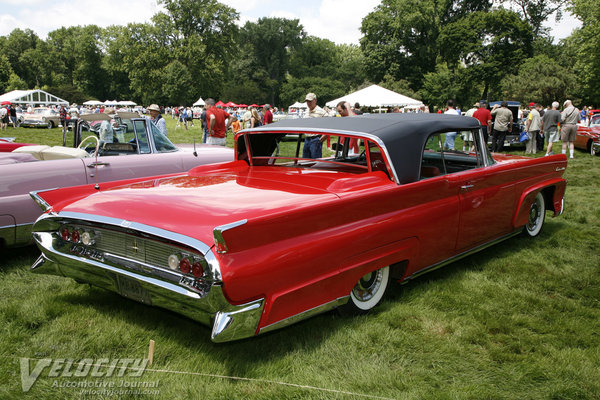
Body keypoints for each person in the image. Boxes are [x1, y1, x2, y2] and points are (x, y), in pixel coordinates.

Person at [303, 93, 327, 158]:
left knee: (315, 161)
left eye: (310, 101)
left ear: (315, 100)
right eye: (307, 101)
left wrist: (324, 136)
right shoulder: (306, 111)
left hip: (316, 139)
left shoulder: (322, 112)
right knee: (304, 161)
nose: (308, 103)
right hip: (307, 139)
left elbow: (329, 125)